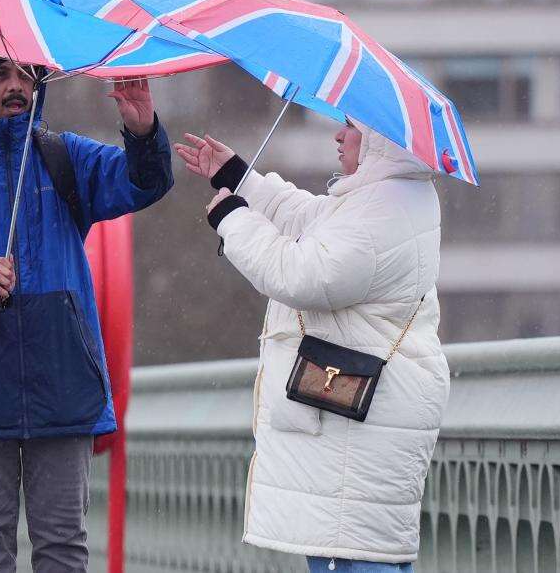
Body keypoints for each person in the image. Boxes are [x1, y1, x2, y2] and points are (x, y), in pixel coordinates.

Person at [0, 52, 173, 572]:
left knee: (64, 548)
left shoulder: (64, 158)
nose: (16, 86)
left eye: (26, 75)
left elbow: (144, 184)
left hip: (62, 383)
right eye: (0, 75)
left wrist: (142, 131)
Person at [175, 120, 448, 573]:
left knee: (350, 556)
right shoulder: (389, 198)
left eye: (350, 128)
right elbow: (308, 218)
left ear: (379, 139)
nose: (339, 137)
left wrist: (233, 220)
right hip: (363, 420)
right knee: (362, 552)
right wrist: (238, 178)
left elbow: (301, 275)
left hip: (356, 429)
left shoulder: (382, 210)